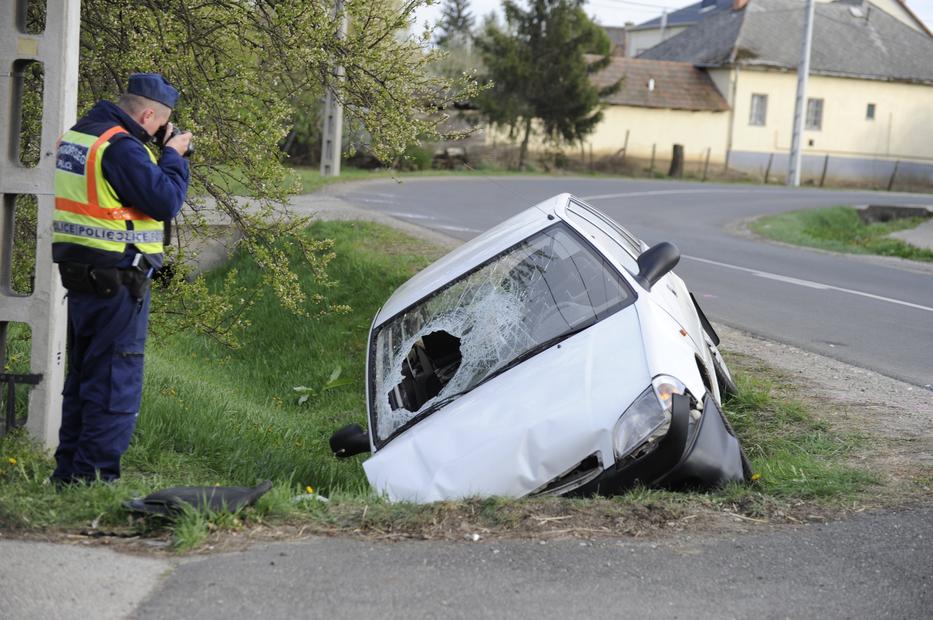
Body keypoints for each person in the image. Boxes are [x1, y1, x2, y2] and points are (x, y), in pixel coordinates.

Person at [50, 73, 192, 485]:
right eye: (158, 124)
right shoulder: (121, 147)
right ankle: (93, 482)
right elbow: (165, 201)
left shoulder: (81, 136)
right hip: (118, 283)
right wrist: (174, 156)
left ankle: (69, 479)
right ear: (149, 114)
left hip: (81, 280)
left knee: (82, 384)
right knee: (113, 386)